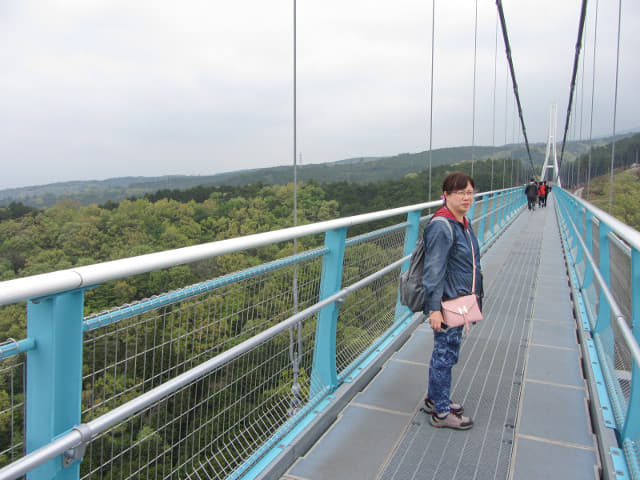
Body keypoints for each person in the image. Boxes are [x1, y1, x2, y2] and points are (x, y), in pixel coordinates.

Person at [421, 171, 482, 430]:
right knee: (445, 356)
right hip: (447, 302)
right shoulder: (442, 226)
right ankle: (442, 413)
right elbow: (433, 271)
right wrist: (434, 309)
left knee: (447, 353)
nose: (467, 197)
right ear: (445, 196)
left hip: (460, 300)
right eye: (460, 193)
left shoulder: (461, 222)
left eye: (470, 192)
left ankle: (435, 399)